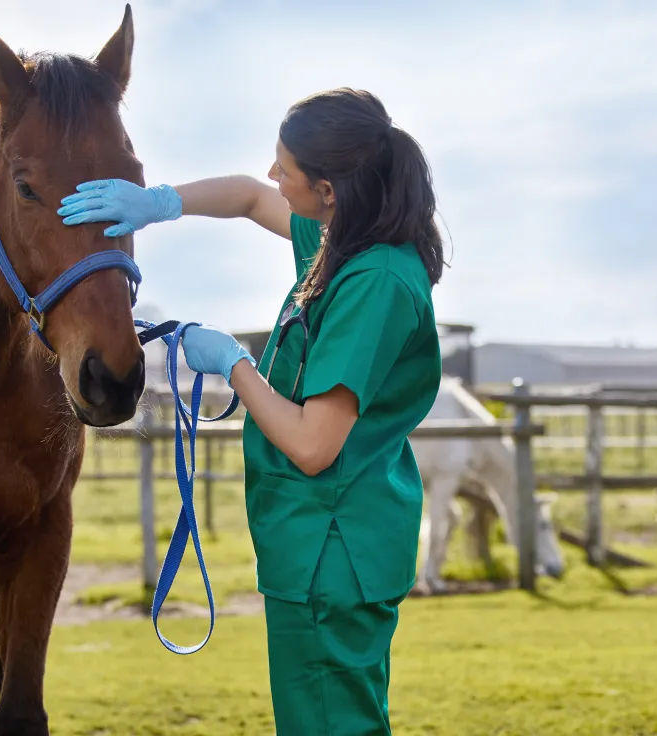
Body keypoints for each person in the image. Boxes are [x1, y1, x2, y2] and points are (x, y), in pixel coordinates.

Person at [57, 87, 445, 735]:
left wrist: (234, 363)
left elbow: (314, 443)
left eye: (285, 168)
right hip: (323, 545)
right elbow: (244, 196)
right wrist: (160, 204)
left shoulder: (372, 280)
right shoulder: (344, 241)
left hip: (331, 547)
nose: (272, 175)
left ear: (327, 189)